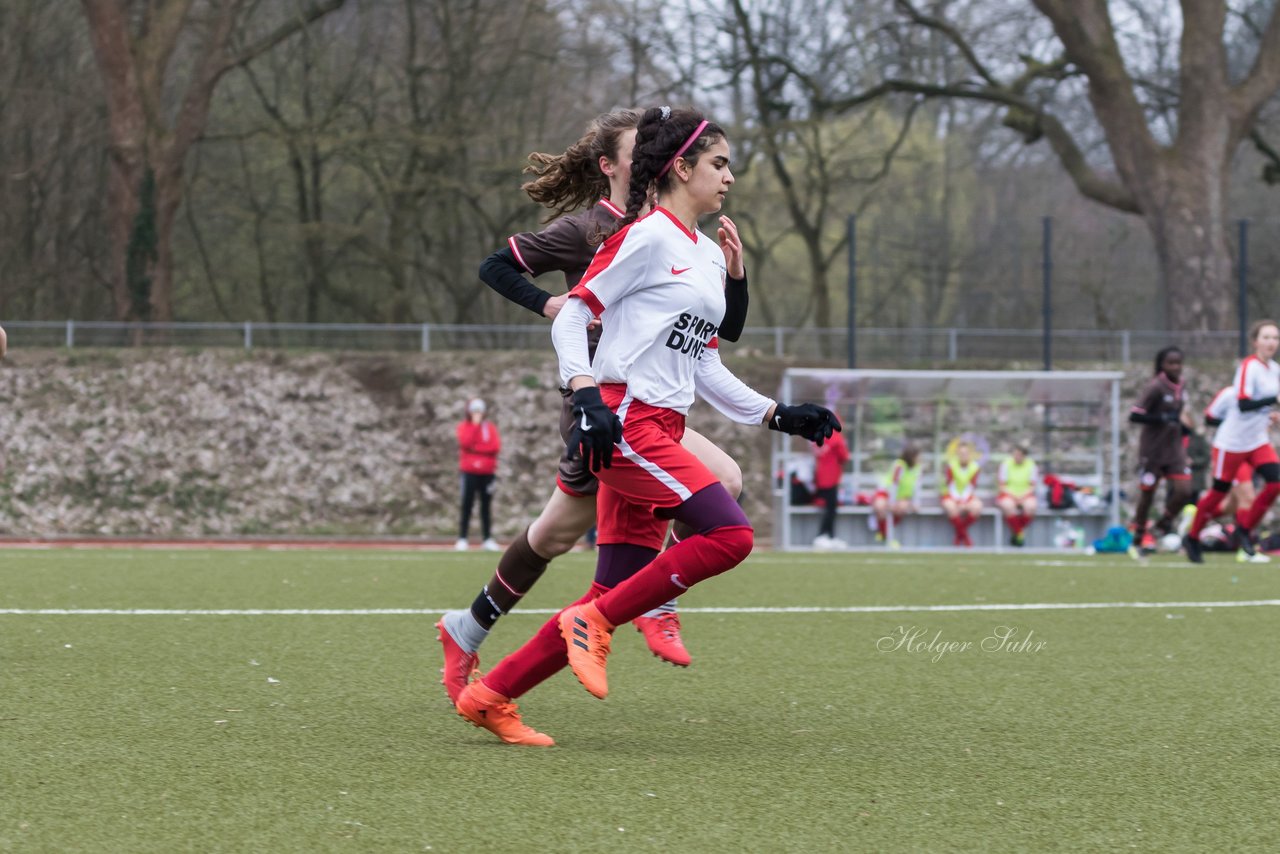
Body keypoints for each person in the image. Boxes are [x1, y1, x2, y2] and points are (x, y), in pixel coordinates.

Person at [452, 105, 840, 745]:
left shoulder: (706, 258)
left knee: (613, 588)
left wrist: (776, 414)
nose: (730, 178)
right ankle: (593, 625)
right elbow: (573, 315)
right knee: (731, 536)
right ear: (681, 168)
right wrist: (585, 395)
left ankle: (491, 695)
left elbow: (702, 360)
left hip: (660, 423)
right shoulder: (647, 236)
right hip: (624, 423)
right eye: (719, 164)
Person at [436, 109, 752, 700]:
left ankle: (493, 643)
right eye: (639, 151)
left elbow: (718, 334)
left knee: (721, 483)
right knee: (556, 538)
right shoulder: (592, 229)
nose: (650, 158)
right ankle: (477, 629)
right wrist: (551, 306)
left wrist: (733, 277)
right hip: (600, 407)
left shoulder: (679, 230)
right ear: (611, 167)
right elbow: (496, 266)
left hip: (648, 402)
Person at [1184, 320, 1280, 564]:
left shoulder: (1275, 370)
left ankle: (1244, 531)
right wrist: (1273, 399)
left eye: (1275, 338)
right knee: (1219, 493)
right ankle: (1192, 536)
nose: (1272, 342)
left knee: (1275, 483)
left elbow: (1266, 405)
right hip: (1232, 443)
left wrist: (1273, 414)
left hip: (1257, 440)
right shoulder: (1249, 366)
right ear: (1255, 341)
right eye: (1266, 337)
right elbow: (1243, 404)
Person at [1125, 346, 1192, 557]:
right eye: (1171, 363)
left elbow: (1178, 415)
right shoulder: (1155, 387)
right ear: (1162, 365)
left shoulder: (1181, 386)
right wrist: (1160, 419)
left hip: (1174, 449)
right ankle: (1138, 539)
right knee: (1147, 495)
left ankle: (1162, 525)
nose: (1175, 367)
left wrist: (1183, 428)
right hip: (1152, 451)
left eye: (1178, 363)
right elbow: (1135, 415)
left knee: (1184, 491)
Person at [1203, 386, 1257, 522]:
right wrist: (1233, 424)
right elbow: (1209, 417)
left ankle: (1199, 520)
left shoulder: (1264, 398)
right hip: (1232, 451)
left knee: (1232, 505)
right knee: (1247, 497)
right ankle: (1242, 539)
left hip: (1251, 451)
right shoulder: (1230, 394)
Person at [455, 398, 501, 552]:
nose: (477, 414)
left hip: (487, 472)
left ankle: (487, 538)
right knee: (467, 504)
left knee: (486, 506)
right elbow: (465, 443)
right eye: (474, 411)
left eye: (479, 411)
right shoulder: (464, 427)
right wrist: (474, 427)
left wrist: (477, 448)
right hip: (469, 472)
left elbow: (494, 447)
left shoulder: (490, 428)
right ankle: (462, 538)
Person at [870, 444, 921, 548]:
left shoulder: (917, 469)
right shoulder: (899, 466)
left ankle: (884, 533)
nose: (919, 459)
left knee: (901, 508)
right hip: (887, 492)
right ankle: (886, 534)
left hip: (903, 496)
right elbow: (894, 484)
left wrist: (916, 503)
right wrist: (891, 502)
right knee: (880, 506)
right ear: (911, 456)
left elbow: (917, 487)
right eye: (917, 456)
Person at [811, 424, 850, 550]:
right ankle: (822, 535)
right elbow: (844, 456)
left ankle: (831, 536)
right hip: (831, 477)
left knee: (829, 507)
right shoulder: (836, 438)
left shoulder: (818, 435)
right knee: (831, 509)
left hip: (820, 476)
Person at [941, 440, 982, 547]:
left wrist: (964, 502)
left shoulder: (975, 467)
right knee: (951, 507)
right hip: (951, 495)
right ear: (957, 454)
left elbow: (971, 486)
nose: (963, 455)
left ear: (969, 454)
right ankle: (965, 537)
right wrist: (958, 502)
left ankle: (959, 535)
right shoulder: (951, 466)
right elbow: (950, 486)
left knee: (977, 507)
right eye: (961, 453)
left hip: (966, 496)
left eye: (966, 453)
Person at [996, 444, 1039, 547]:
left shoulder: (1031, 465)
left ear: (1024, 456)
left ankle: (1016, 533)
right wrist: (1014, 496)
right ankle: (1019, 534)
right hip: (1009, 494)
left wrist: (1022, 497)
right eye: (1015, 454)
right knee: (1008, 506)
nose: (1016, 457)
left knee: (1031, 506)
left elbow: (1032, 485)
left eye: (1019, 455)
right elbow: (1002, 485)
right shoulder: (1006, 464)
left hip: (1025, 495)